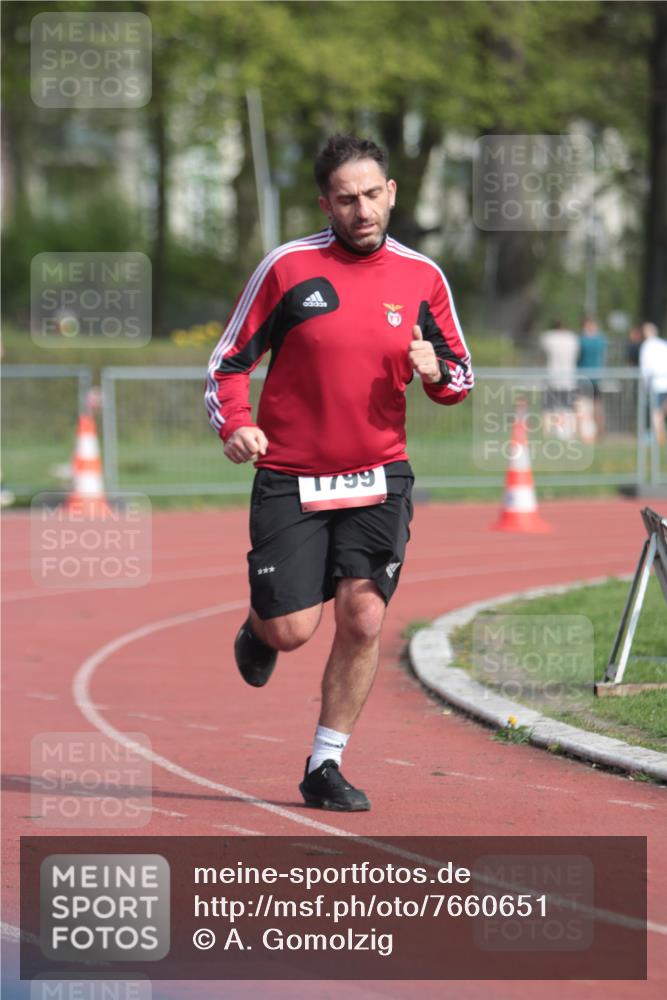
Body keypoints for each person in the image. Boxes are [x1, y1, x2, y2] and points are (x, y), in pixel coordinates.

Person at [205, 134, 473, 811]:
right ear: (325, 203)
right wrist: (235, 423)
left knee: (362, 615)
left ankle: (324, 764)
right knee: (291, 631)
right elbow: (228, 363)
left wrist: (438, 374)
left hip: (379, 474)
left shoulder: (422, 278)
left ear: (391, 193)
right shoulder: (288, 268)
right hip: (291, 475)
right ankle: (259, 625)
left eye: (371, 195)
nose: (361, 210)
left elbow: (459, 376)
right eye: (346, 199)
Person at [539, 319, 579, 440]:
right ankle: (571, 434)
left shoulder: (548, 337)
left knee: (548, 409)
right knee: (570, 408)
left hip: (553, 378)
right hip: (569, 379)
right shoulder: (572, 338)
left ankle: (546, 435)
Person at [577, 315, 608, 439]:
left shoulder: (583, 340)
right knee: (597, 405)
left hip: (585, 377)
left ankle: (584, 432)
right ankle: (599, 432)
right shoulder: (600, 339)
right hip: (596, 377)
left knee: (584, 405)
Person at [639, 322, 667, 446]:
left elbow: (645, 367)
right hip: (663, 382)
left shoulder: (646, 346)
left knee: (656, 411)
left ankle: (659, 435)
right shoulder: (663, 344)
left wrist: (645, 385)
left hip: (655, 383)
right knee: (660, 411)